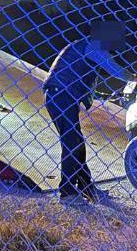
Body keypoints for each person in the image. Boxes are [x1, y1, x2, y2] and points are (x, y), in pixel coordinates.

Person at [43, 21, 132, 202]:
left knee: (76, 142)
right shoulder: (93, 47)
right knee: (72, 143)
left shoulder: (83, 45)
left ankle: (85, 187)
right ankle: (67, 192)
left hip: (60, 95)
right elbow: (115, 69)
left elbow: (81, 78)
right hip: (61, 96)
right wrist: (135, 79)